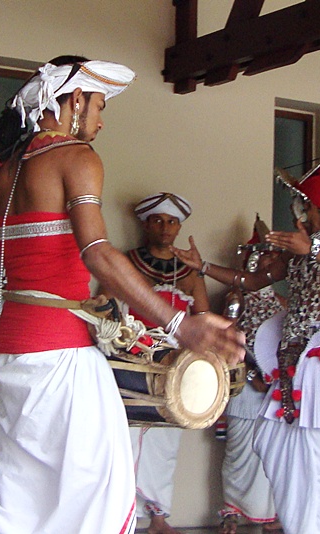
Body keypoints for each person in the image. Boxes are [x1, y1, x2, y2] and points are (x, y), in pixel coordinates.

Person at [0, 56, 244, 534]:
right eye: (99, 105)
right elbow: (98, 253)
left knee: (21, 496)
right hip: (63, 355)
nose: (101, 120)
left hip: (14, 354)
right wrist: (180, 324)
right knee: (94, 496)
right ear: (74, 99)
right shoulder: (77, 159)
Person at [174, 160, 320, 534]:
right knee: (270, 444)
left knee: (317, 459)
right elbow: (252, 280)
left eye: (300, 203)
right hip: (289, 362)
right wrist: (203, 268)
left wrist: (311, 247)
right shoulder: (297, 250)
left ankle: (316, 518)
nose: (296, 211)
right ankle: (311, 515)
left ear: (311, 206)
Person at [123, 192, 210, 534]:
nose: (165, 227)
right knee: (124, 434)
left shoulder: (189, 271)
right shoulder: (125, 262)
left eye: (172, 221)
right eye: (157, 220)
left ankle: (158, 515)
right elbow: (108, 307)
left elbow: (202, 317)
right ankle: (122, 509)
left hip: (175, 363)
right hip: (131, 357)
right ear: (145, 224)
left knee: (165, 440)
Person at [217, 221, 284, 534]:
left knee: (270, 453)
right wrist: (251, 373)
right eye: (263, 257)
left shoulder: (282, 303)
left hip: (275, 391)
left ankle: (269, 513)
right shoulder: (236, 298)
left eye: (273, 256)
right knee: (239, 453)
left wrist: (274, 378)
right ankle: (231, 511)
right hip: (244, 385)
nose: (268, 262)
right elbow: (226, 341)